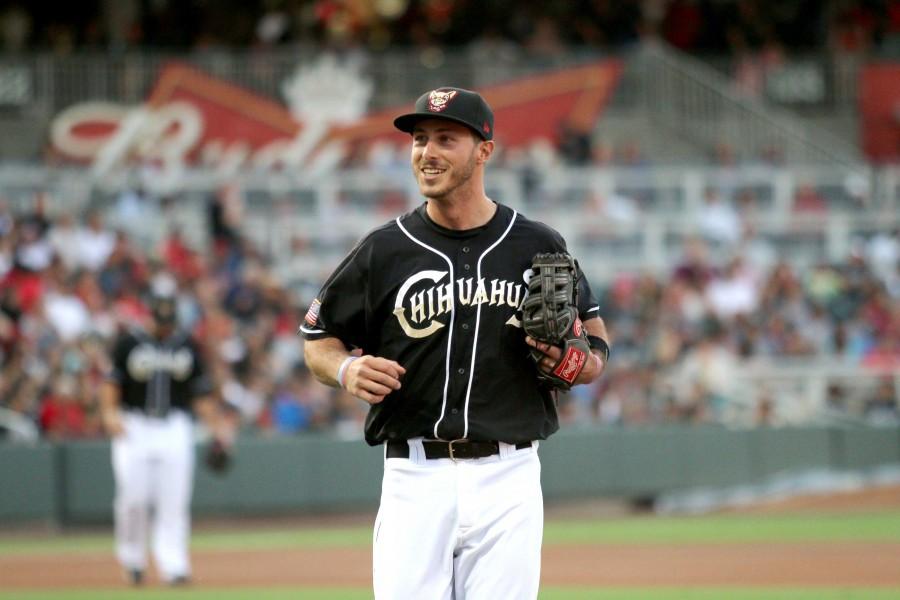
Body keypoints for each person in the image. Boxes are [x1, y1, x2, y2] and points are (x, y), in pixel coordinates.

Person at [301, 87, 610, 599]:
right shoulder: (384, 249)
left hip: (507, 474)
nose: (427, 152)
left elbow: (594, 336)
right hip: (414, 476)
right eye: (420, 140)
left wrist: (583, 363)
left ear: (484, 150)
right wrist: (345, 370)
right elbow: (317, 338)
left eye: (446, 138)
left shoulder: (536, 243)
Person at [100, 291, 232, 587]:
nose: (165, 326)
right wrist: (109, 413)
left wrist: (217, 427)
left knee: (174, 500)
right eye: (160, 320)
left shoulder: (185, 344)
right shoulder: (128, 343)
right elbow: (111, 382)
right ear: (148, 315)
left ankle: (174, 565)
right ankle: (132, 560)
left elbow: (199, 394)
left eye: (169, 320)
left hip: (175, 424)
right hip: (134, 423)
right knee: (133, 498)